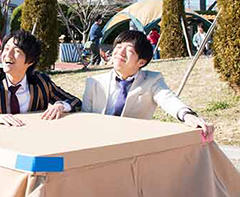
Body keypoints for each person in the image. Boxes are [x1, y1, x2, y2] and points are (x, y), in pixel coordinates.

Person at [82, 30, 214, 140]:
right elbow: (83, 119)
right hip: (97, 143)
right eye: (118, 46)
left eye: (129, 50)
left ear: (141, 62)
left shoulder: (152, 80)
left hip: (132, 146)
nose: (119, 53)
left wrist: (187, 115)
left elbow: (167, 99)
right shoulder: (94, 82)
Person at [0, 29, 82, 126]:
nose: (8, 55)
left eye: (16, 51)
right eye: (6, 49)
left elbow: (75, 102)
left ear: (31, 61)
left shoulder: (41, 82)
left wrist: (60, 105)